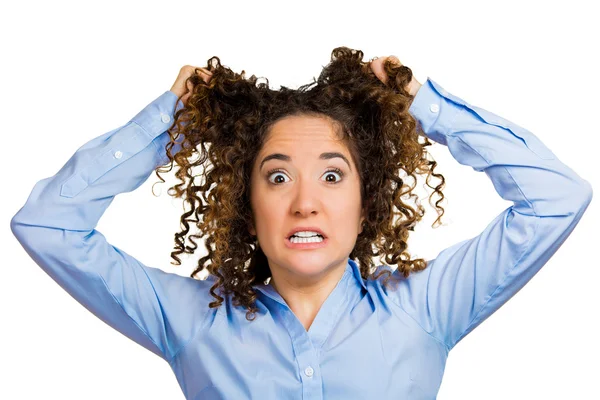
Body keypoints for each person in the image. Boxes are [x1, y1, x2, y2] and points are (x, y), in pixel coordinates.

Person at [10, 47, 593, 399]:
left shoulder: (426, 308)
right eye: (279, 177)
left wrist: (424, 105)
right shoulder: (192, 324)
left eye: (333, 176)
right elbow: (47, 227)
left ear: (367, 205)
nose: (306, 203)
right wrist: (171, 121)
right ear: (247, 205)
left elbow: (556, 198)